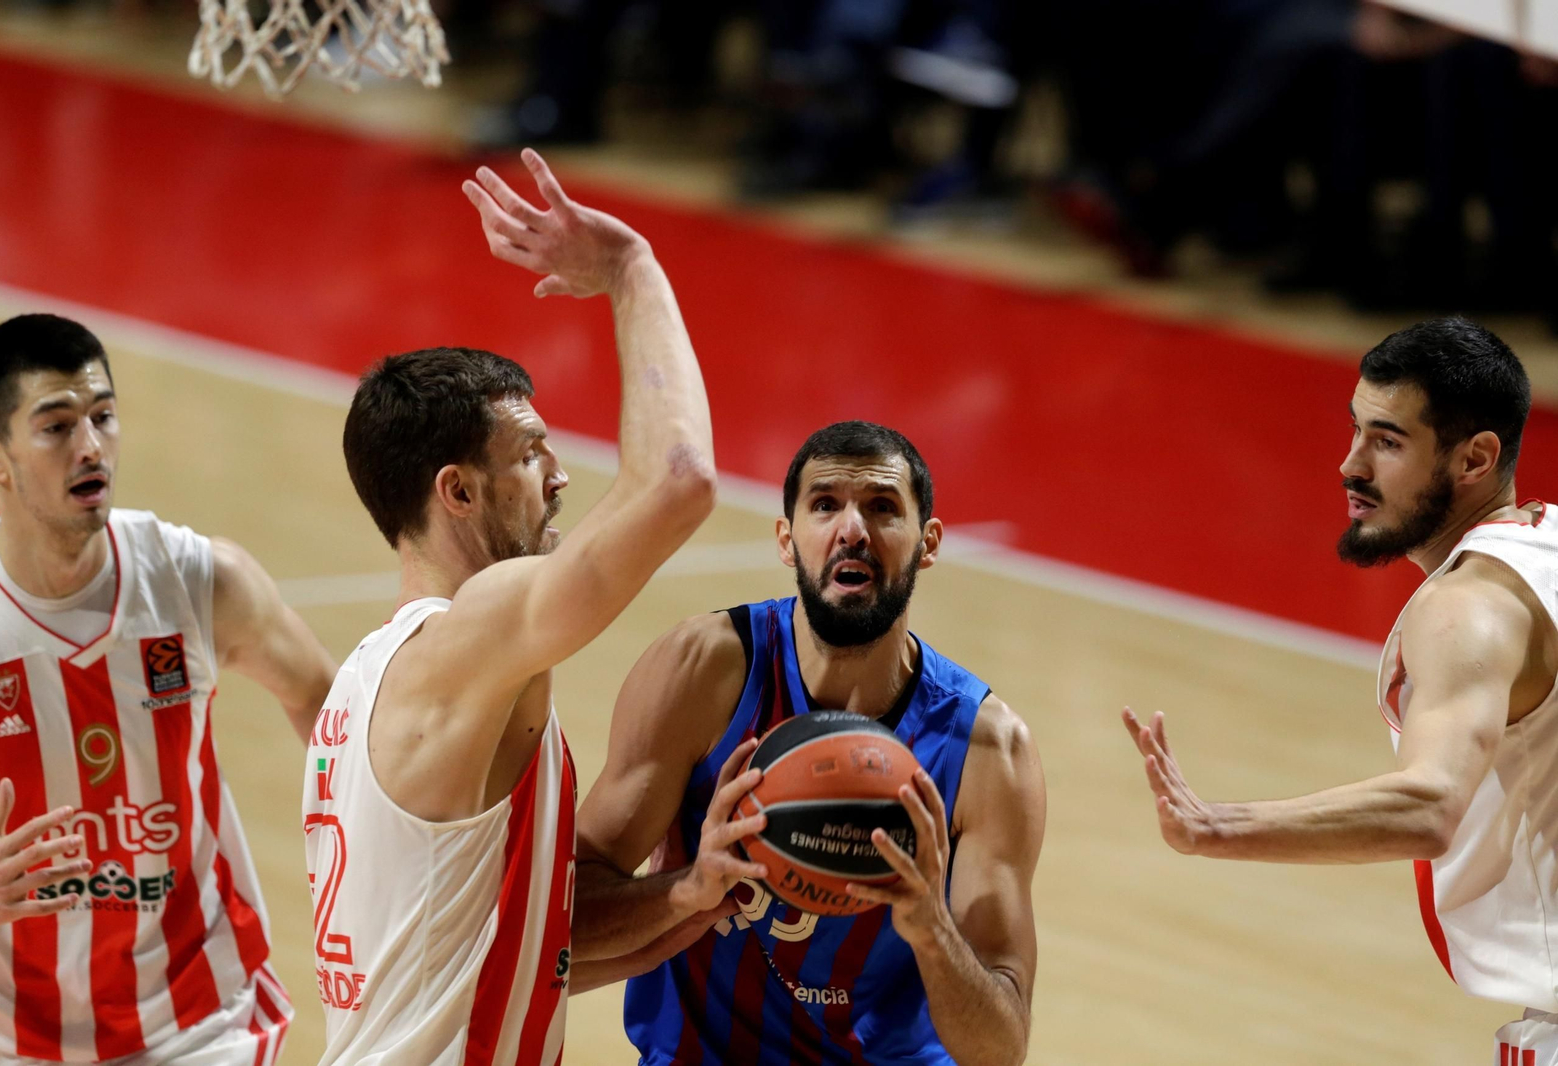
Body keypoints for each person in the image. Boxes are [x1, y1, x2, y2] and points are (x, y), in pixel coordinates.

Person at [303, 148, 717, 1065]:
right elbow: (680, 481)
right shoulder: (470, 634)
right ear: (457, 492)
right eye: (531, 453)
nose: (560, 476)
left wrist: (689, 894)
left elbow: (525, 955)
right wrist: (630, 268)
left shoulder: (366, 687)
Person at [1123, 317, 1557, 1064]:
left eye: (1387, 442)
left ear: (1476, 458)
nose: (1349, 465)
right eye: (1356, 431)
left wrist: (1216, 826)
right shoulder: (1547, 542)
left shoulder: (1467, 608)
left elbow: (1429, 805)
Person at [574, 420, 1045, 1065]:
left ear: (927, 543)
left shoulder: (989, 751)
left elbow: (1000, 1050)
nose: (852, 529)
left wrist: (933, 932)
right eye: (825, 505)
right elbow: (559, 923)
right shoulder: (703, 670)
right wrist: (690, 888)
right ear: (786, 538)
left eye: (883, 508)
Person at [0, 313, 335, 1064]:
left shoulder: (198, 578)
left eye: (102, 416)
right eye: (57, 427)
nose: (91, 446)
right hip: (7, 1031)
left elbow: (333, 714)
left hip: (201, 1016)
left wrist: (360, 851)